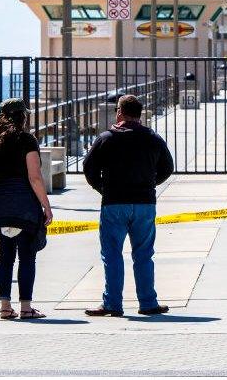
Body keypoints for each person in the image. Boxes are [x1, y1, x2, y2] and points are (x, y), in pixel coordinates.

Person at [83, 95, 174, 317]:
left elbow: (89, 167)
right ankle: (147, 302)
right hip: (144, 203)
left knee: (112, 253)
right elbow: (167, 167)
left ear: (119, 113)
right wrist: (150, 184)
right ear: (140, 114)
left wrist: (103, 188)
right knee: (143, 254)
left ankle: (113, 304)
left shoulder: (106, 138)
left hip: (114, 203)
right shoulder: (153, 138)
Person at [0, 98, 53, 320]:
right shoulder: (27, 140)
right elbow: (35, 177)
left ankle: (5, 307)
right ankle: (26, 308)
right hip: (23, 208)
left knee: (5, 255)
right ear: (22, 116)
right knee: (27, 256)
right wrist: (46, 207)